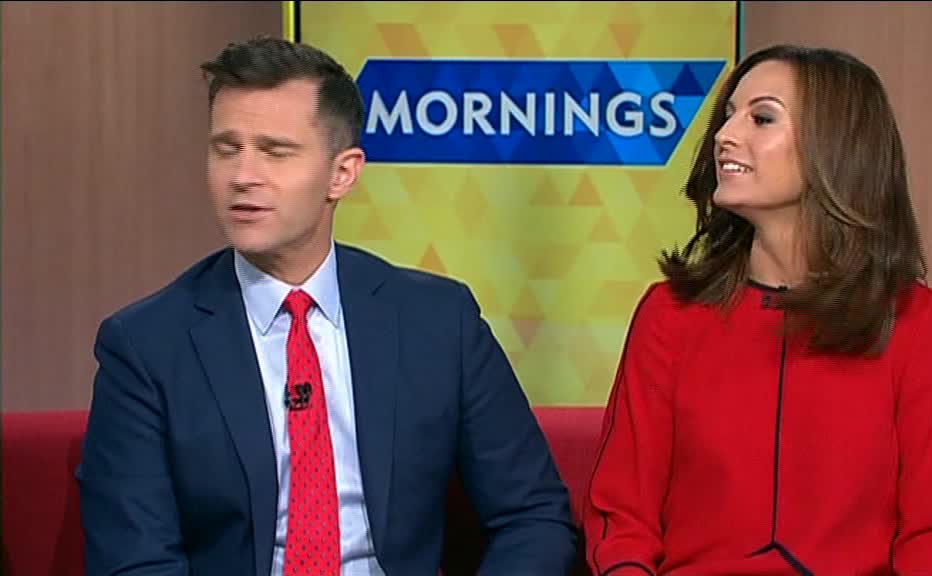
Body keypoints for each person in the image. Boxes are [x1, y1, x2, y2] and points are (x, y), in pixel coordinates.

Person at [76, 36, 577, 576]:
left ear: (343, 173)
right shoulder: (147, 346)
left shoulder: (438, 323)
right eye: (226, 148)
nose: (242, 175)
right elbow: (134, 560)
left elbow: (534, 517)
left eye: (274, 151)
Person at [583, 44, 932, 575]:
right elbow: (621, 519)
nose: (725, 136)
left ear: (834, 146)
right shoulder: (670, 314)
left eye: (762, 118)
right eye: (729, 115)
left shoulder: (912, 319)